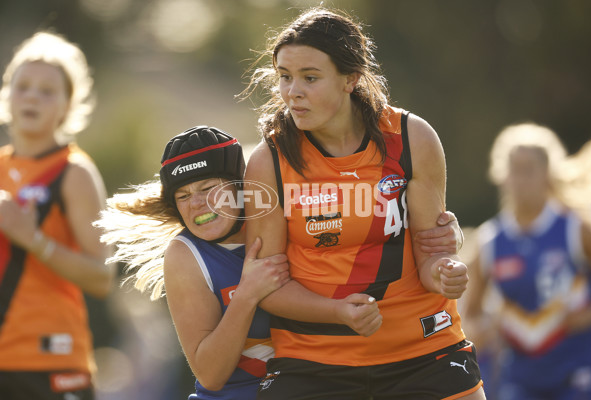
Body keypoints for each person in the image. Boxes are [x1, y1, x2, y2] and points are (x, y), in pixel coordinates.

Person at [95, 125, 464, 400]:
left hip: (323, 387)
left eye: (209, 189)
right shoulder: (185, 255)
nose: (197, 205)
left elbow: (371, 232)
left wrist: (445, 236)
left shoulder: (291, 225)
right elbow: (210, 375)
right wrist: (248, 295)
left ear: (243, 185)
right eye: (184, 196)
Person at [242, 7, 485, 400]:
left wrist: (445, 272)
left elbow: (430, 253)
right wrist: (337, 312)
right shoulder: (268, 160)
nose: (292, 92)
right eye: (284, 77)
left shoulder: (411, 138)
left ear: (351, 79)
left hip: (423, 349)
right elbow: (267, 287)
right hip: (313, 361)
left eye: (310, 78)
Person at [0, 31, 115, 399]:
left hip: (51, 362)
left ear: (68, 106)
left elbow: (102, 277)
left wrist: (32, 239)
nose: (32, 96)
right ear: (7, 95)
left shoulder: (74, 172)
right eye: (23, 86)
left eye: (47, 91)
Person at [463, 123, 591, 400]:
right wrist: (486, 329)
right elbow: (471, 314)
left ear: (547, 174)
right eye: (515, 170)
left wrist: (590, 315)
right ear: (502, 175)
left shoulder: (576, 228)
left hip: (579, 366)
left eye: (529, 170)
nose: (521, 179)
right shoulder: (490, 241)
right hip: (521, 375)